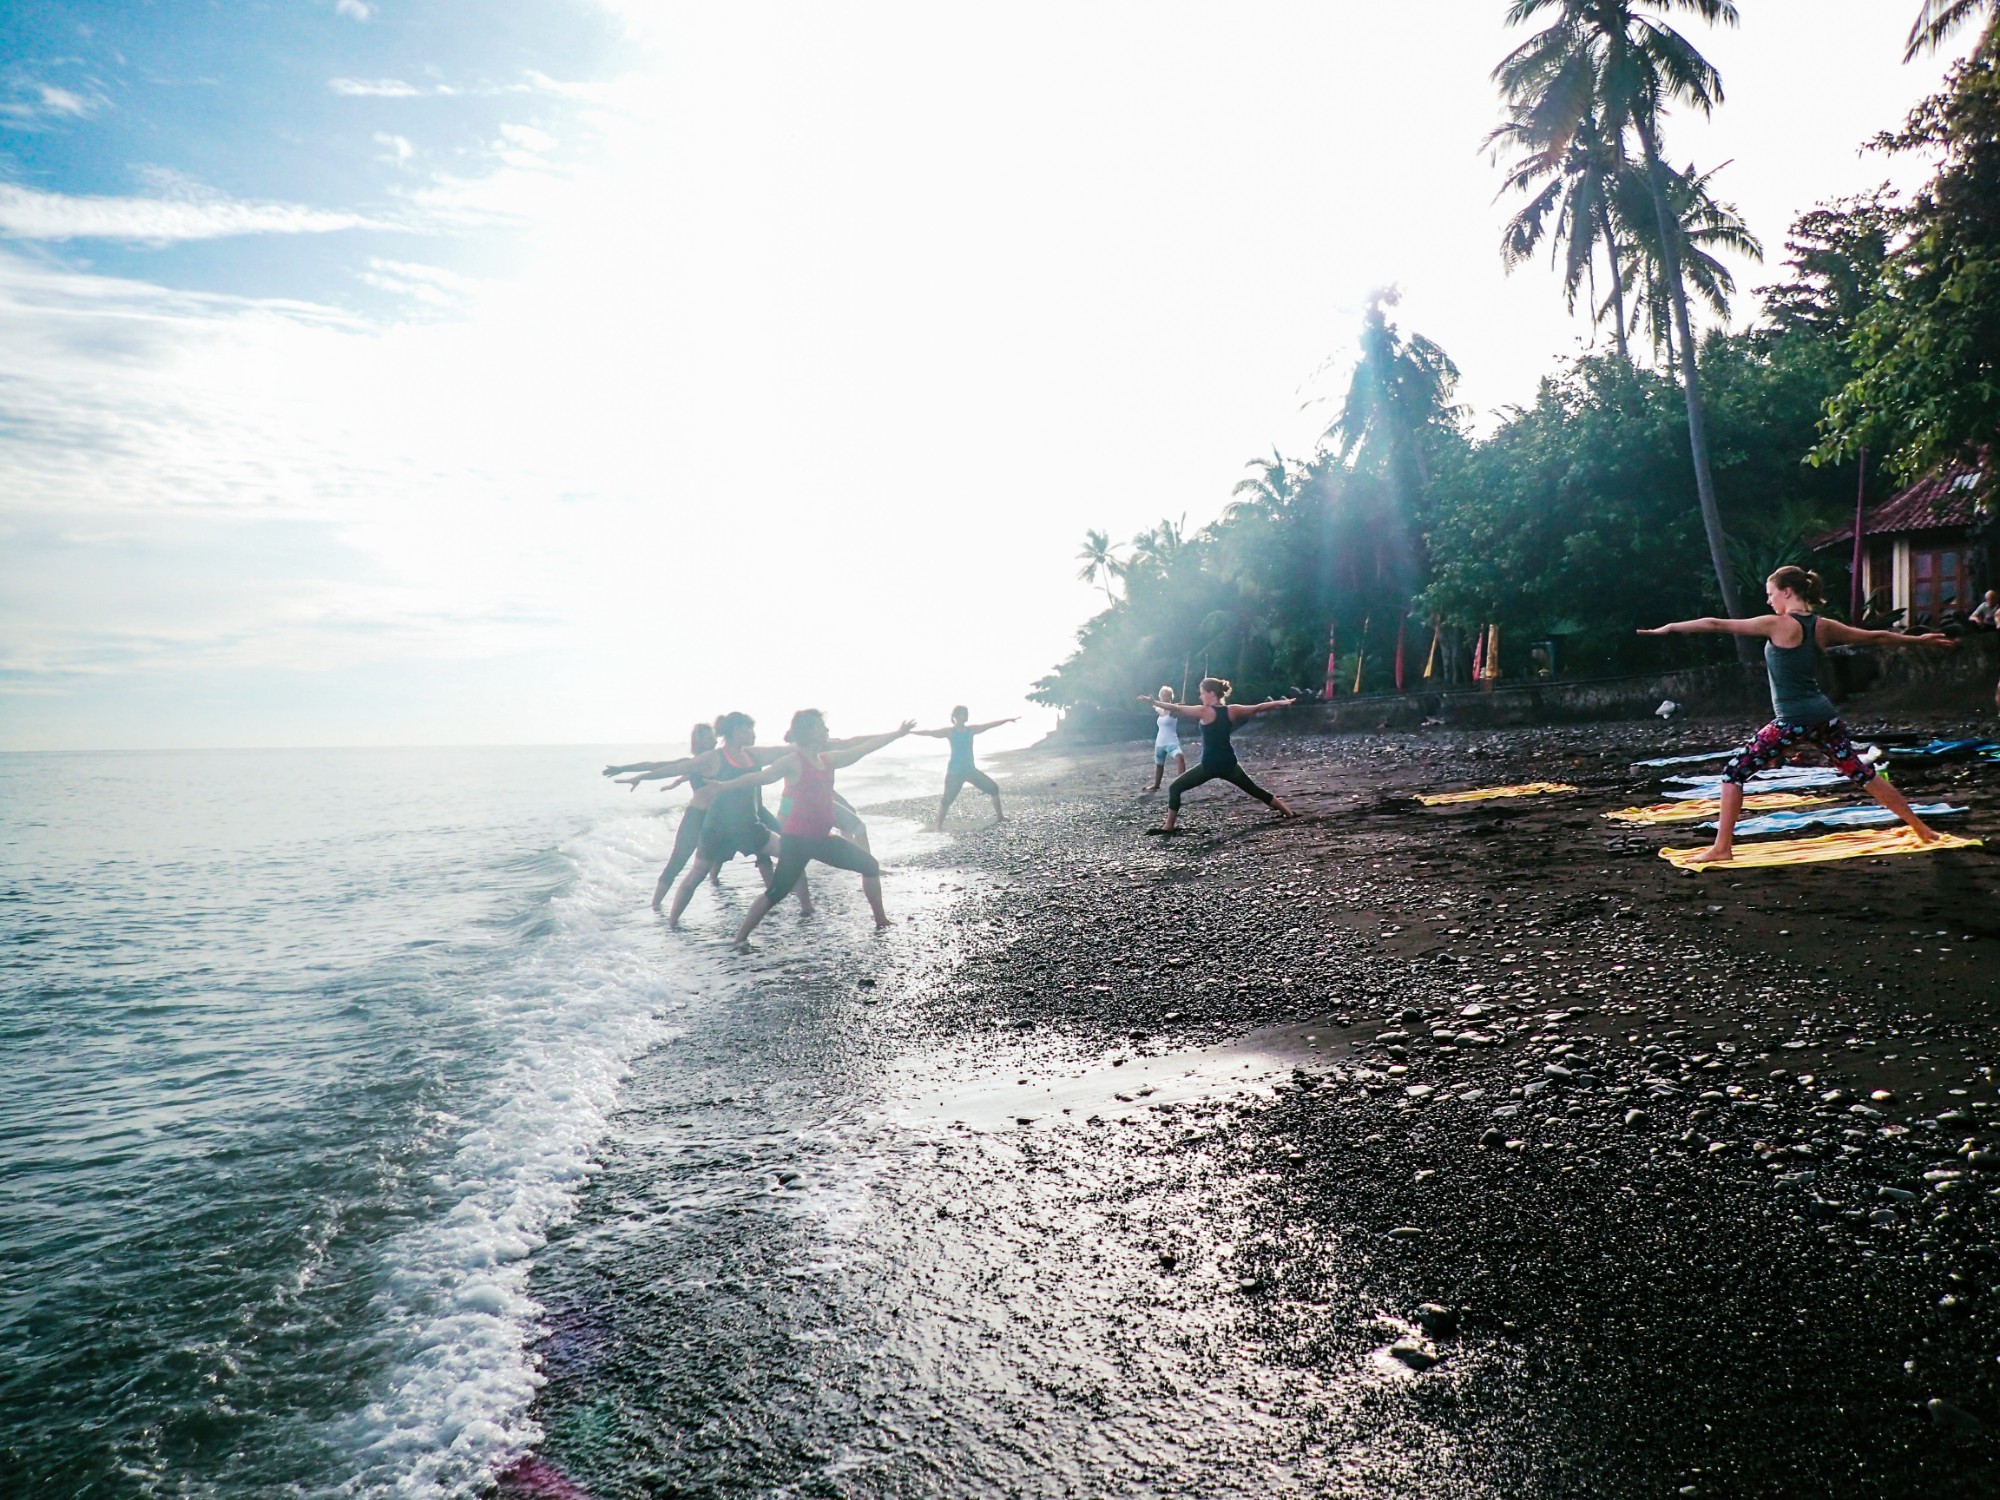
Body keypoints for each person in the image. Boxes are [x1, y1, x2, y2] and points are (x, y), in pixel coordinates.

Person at [1639, 565, 1955, 865]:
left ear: (1787, 591)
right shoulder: (1823, 625)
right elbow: (1875, 637)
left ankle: (1722, 848)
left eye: (1771, 593)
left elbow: (1716, 624)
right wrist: (1917, 639)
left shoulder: (1777, 624)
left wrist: (1670, 628)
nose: (1768, 600)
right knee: (1861, 773)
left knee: (1733, 773)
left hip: (1793, 721)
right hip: (1824, 717)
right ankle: (1921, 829)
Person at [707, 710, 915, 949]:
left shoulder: (828, 759)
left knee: (870, 866)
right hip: (797, 842)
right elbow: (760, 778)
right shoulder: (793, 761)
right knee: (776, 893)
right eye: (821, 726)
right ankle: (740, 938)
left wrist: (897, 734)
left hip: (822, 839)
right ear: (808, 732)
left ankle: (881, 920)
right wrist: (723, 786)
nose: (826, 730)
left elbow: (862, 749)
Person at [1141, 677, 1297, 834]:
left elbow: (1176, 708)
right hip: (1229, 763)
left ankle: (1169, 826)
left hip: (1209, 765)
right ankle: (1288, 812)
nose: (1201, 697)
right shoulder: (1232, 710)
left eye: (1202, 693)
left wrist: (1154, 702)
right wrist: (1280, 703)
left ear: (1211, 693)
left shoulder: (1204, 711)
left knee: (1175, 788)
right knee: (1255, 790)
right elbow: (1258, 707)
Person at [915, 707, 1016, 829]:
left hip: (970, 770)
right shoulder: (949, 731)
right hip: (954, 772)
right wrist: (909, 732)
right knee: (947, 800)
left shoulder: (971, 730)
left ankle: (1000, 817)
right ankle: (938, 826)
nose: (962, 716)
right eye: (960, 714)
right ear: (955, 716)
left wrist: (1007, 720)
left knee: (994, 788)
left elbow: (990, 725)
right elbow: (930, 732)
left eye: (964, 714)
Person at [1144, 686, 1186, 792]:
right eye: (1162, 696)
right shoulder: (1161, 710)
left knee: (1180, 758)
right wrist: (1150, 701)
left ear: (1170, 697)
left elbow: (1176, 709)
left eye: (1166, 696)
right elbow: (1157, 707)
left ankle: (1183, 783)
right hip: (1160, 743)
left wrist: (1180, 707)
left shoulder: (1173, 710)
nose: (1164, 698)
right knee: (1159, 765)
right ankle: (1156, 785)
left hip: (1171, 742)